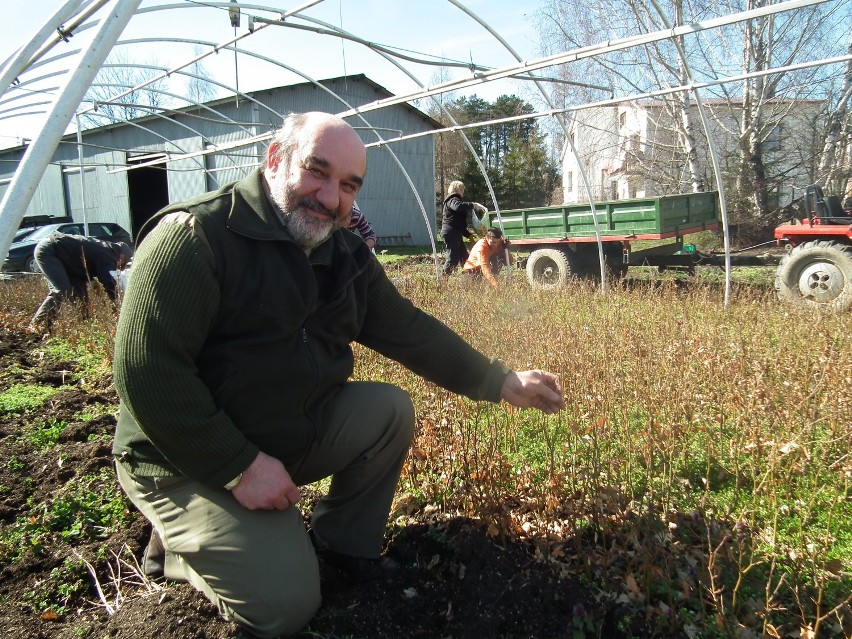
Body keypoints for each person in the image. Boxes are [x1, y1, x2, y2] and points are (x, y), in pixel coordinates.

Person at [111, 112, 564, 638]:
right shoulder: (197, 237)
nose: (331, 198)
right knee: (284, 605)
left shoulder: (340, 251)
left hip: (275, 435)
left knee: (387, 411)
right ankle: (176, 547)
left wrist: (501, 381)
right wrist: (239, 467)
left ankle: (342, 543)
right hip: (183, 455)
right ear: (276, 159)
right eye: (317, 172)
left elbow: (409, 330)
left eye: (349, 186)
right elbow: (147, 372)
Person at [29, 232, 133, 331]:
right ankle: (37, 325)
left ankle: (84, 324)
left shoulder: (107, 251)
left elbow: (88, 268)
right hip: (50, 250)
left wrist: (93, 282)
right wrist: (117, 302)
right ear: (122, 256)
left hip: (68, 261)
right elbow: (107, 280)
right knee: (62, 290)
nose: (120, 265)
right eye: (123, 262)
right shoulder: (108, 253)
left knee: (81, 295)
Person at [440, 180, 487, 275]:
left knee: (465, 257)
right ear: (457, 189)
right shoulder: (452, 199)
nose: (463, 192)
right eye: (462, 189)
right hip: (451, 232)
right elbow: (458, 207)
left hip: (454, 232)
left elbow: (458, 224)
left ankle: (469, 279)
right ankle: (442, 281)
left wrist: (468, 235)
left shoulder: (454, 200)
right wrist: (472, 205)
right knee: (453, 259)